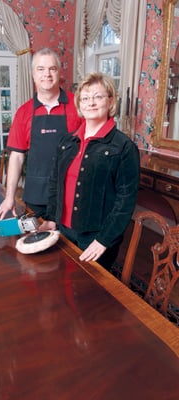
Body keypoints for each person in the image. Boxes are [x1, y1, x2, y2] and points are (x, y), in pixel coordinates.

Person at [39, 72, 140, 270]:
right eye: (85, 98)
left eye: (98, 97)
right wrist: (51, 218)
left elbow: (125, 201)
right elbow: (55, 184)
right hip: (64, 229)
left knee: (89, 294)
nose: (91, 103)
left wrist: (103, 240)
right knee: (63, 282)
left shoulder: (124, 147)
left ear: (110, 101)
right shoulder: (67, 142)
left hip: (96, 237)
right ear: (79, 104)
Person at [0, 48, 83, 221]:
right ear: (33, 74)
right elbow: (17, 157)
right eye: (41, 69)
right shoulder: (23, 112)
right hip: (36, 196)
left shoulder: (78, 105)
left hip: (71, 195)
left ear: (59, 72)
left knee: (69, 247)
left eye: (52, 69)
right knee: (37, 243)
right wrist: (9, 197)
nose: (47, 74)